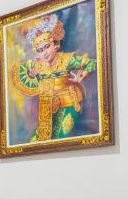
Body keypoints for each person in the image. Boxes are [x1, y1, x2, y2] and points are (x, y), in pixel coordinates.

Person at [15, 14, 96, 142]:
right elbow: (39, 84)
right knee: (41, 139)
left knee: (61, 137)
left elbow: (92, 63)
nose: (44, 52)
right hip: (48, 106)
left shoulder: (66, 59)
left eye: (47, 46)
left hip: (70, 103)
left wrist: (82, 76)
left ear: (56, 45)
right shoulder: (37, 65)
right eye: (40, 50)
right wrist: (34, 76)